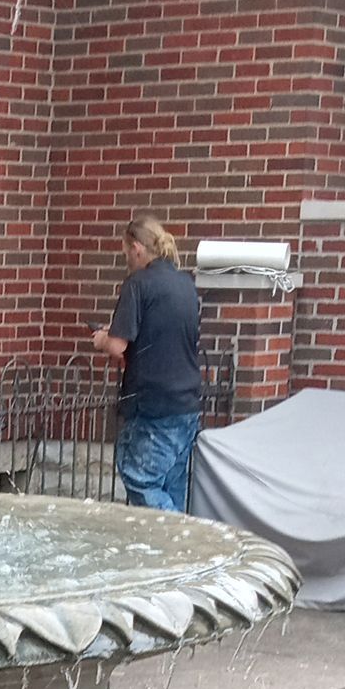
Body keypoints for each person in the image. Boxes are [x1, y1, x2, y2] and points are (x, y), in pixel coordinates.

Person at [93, 213, 203, 513]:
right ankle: (176, 554)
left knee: (140, 478)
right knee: (173, 484)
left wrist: (102, 339)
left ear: (137, 247)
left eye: (126, 251)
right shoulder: (185, 284)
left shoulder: (137, 284)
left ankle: (179, 536)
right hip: (188, 404)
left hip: (153, 407)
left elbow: (117, 346)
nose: (126, 258)